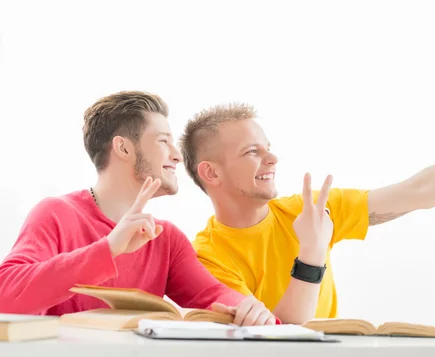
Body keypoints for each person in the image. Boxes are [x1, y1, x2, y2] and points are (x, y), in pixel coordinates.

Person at [178, 89, 435, 325]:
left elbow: (420, 190)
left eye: (268, 146)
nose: (273, 158)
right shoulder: (206, 259)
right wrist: (311, 252)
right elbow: (281, 338)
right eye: (252, 152)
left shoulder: (309, 211)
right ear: (211, 173)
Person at [0, 91, 284, 326]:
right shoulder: (56, 214)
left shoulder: (166, 238)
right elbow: (5, 295)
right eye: (163, 141)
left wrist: (250, 310)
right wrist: (108, 248)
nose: (176, 155)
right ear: (123, 149)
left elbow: (214, 294)